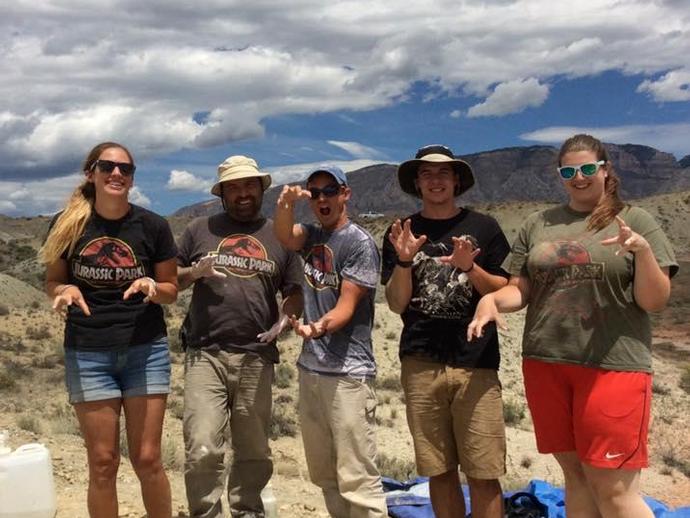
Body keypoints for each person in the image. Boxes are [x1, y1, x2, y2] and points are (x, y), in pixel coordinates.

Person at [468, 134, 678, 518]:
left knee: (614, 490)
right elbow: (521, 291)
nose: (578, 177)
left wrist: (643, 252)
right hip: (546, 363)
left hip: (613, 366)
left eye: (586, 169)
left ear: (605, 170)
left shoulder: (635, 220)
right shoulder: (538, 223)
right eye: (568, 171)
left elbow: (655, 300)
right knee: (577, 477)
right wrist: (491, 300)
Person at [39, 142, 178, 518]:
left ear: (132, 178)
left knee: (148, 459)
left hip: (144, 351)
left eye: (126, 169)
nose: (117, 174)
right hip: (88, 352)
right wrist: (64, 289)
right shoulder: (67, 224)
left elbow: (171, 290)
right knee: (102, 462)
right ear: (92, 172)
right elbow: (52, 281)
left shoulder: (153, 226)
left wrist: (153, 287)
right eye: (108, 166)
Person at [381, 144, 510, 518]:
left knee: (483, 471)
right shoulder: (401, 232)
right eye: (426, 174)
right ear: (417, 183)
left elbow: (503, 291)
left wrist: (470, 267)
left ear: (456, 180)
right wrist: (404, 259)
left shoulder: (485, 228)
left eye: (443, 173)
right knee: (438, 469)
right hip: (420, 362)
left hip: (476, 363)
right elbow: (396, 302)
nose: (435, 181)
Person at [177, 155, 303, 518]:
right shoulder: (199, 229)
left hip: (256, 356)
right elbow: (171, 278)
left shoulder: (279, 234)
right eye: (234, 187)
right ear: (222, 194)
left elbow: (294, 289)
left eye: (249, 185)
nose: (243, 193)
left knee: (253, 450)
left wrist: (287, 316)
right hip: (205, 353)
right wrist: (194, 273)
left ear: (261, 188)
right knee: (202, 445)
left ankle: (248, 510)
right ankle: (206, 513)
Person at [274, 165, 387, 518]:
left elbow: (347, 306)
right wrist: (286, 204)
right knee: (325, 472)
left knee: (357, 477)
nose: (322, 198)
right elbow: (284, 235)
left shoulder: (358, 243)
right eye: (315, 192)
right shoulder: (310, 236)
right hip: (311, 370)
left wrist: (317, 328)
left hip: (348, 374)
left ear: (345, 194)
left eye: (330, 190)